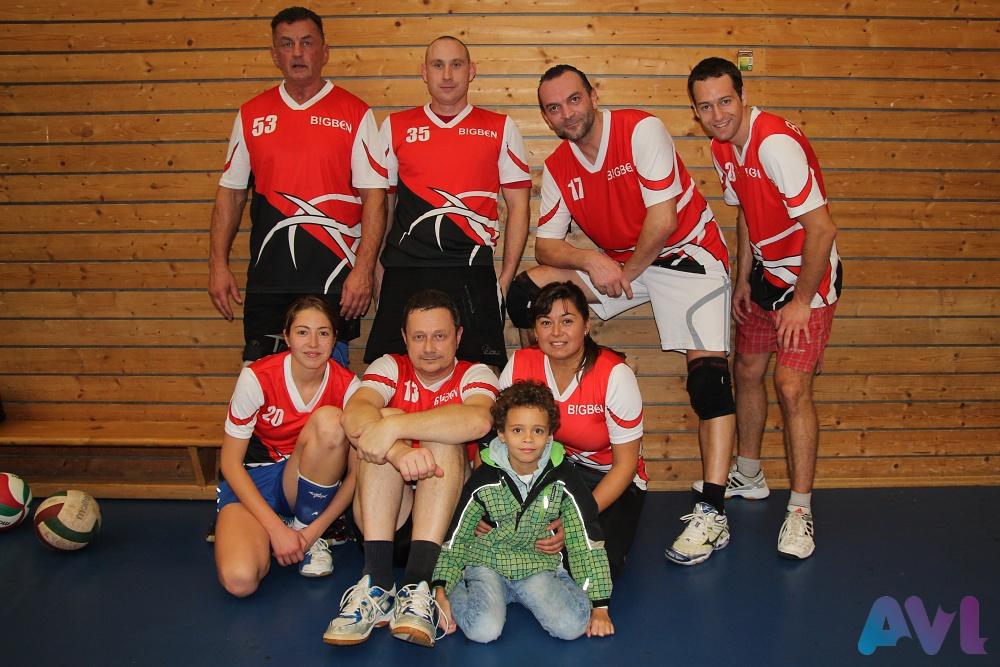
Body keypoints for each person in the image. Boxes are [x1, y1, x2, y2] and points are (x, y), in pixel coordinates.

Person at [505, 64, 736, 566]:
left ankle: (713, 510)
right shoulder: (560, 165)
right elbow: (546, 245)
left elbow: (663, 218)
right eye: (553, 108)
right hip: (619, 265)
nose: (566, 113)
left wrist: (623, 273)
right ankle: (546, 414)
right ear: (545, 117)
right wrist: (591, 260)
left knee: (708, 380)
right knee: (526, 293)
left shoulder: (639, 129)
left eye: (573, 99)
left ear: (593, 95)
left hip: (686, 255)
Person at [688, 58, 841, 560]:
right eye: (706, 107)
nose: (717, 114)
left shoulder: (773, 143)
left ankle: (800, 511)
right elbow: (747, 214)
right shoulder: (721, 147)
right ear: (696, 112)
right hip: (765, 274)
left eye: (725, 101)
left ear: (743, 96)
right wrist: (742, 278)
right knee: (747, 370)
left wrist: (801, 301)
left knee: (791, 386)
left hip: (808, 280)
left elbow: (822, 229)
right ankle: (749, 474)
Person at [208, 6, 387, 366]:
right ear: (274, 54)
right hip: (268, 279)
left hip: (332, 278)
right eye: (287, 44)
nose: (297, 53)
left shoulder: (355, 113)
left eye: (307, 42)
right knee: (261, 381)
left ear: (324, 51)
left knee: (326, 386)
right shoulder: (251, 114)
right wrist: (218, 265)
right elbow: (231, 194)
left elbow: (375, 199)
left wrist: (363, 269)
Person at [323, 289, 498, 648]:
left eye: (440, 336)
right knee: (377, 425)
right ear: (405, 337)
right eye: (419, 337)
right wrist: (397, 449)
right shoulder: (390, 366)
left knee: (433, 433)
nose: (429, 347)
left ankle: (421, 586)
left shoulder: (475, 372)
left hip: (445, 531)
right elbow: (354, 414)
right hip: (388, 522)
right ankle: (377, 582)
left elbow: (479, 419)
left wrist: (394, 426)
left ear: (458, 336)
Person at [364, 35, 531, 370]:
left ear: (471, 71)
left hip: (471, 269)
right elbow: (383, 205)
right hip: (405, 269)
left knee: (479, 375)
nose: (447, 75)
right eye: (438, 65)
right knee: (390, 372)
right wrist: (377, 268)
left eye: (456, 65)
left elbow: (519, 208)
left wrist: (503, 279)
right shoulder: (395, 127)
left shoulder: (500, 127)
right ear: (424, 72)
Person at [432, 380, 614, 643]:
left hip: (536, 564)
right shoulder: (484, 480)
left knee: (573, 626)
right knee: (483, 631)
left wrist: (599, 606)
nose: (528, 439)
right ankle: (458, 588)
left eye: (537, 430)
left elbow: (584, 539)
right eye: (517, 430)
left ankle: (551, 587)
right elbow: (456, 537)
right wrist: (441, 587)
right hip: (488, 562)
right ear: (502, 434)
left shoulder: (563, 477)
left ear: (549, 435)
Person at [214, 296, 360, 596]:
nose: (313, 343)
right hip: (254, 481)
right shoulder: (256, 377)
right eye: (302, 332)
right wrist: (276, 530)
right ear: (287, 337)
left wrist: (312, 533)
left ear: (334, 339)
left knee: (331, 421)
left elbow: (357, 475)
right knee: (240, 581)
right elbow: (229, 463)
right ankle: (273, 530)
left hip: (301, 487)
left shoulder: (349, 387)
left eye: (323, 333)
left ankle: (304, 527)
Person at [499, 281, 644, 579]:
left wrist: (576, 518)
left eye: (567, 321)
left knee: (594, 569)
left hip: (609, 478)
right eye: (545, 322)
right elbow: (497, 444)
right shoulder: (519, 365)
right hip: (548, 474)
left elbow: (626, 466)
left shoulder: (614, 374)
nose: (556, 332)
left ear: (586, 325)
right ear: (534, 330)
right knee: (506, 548)